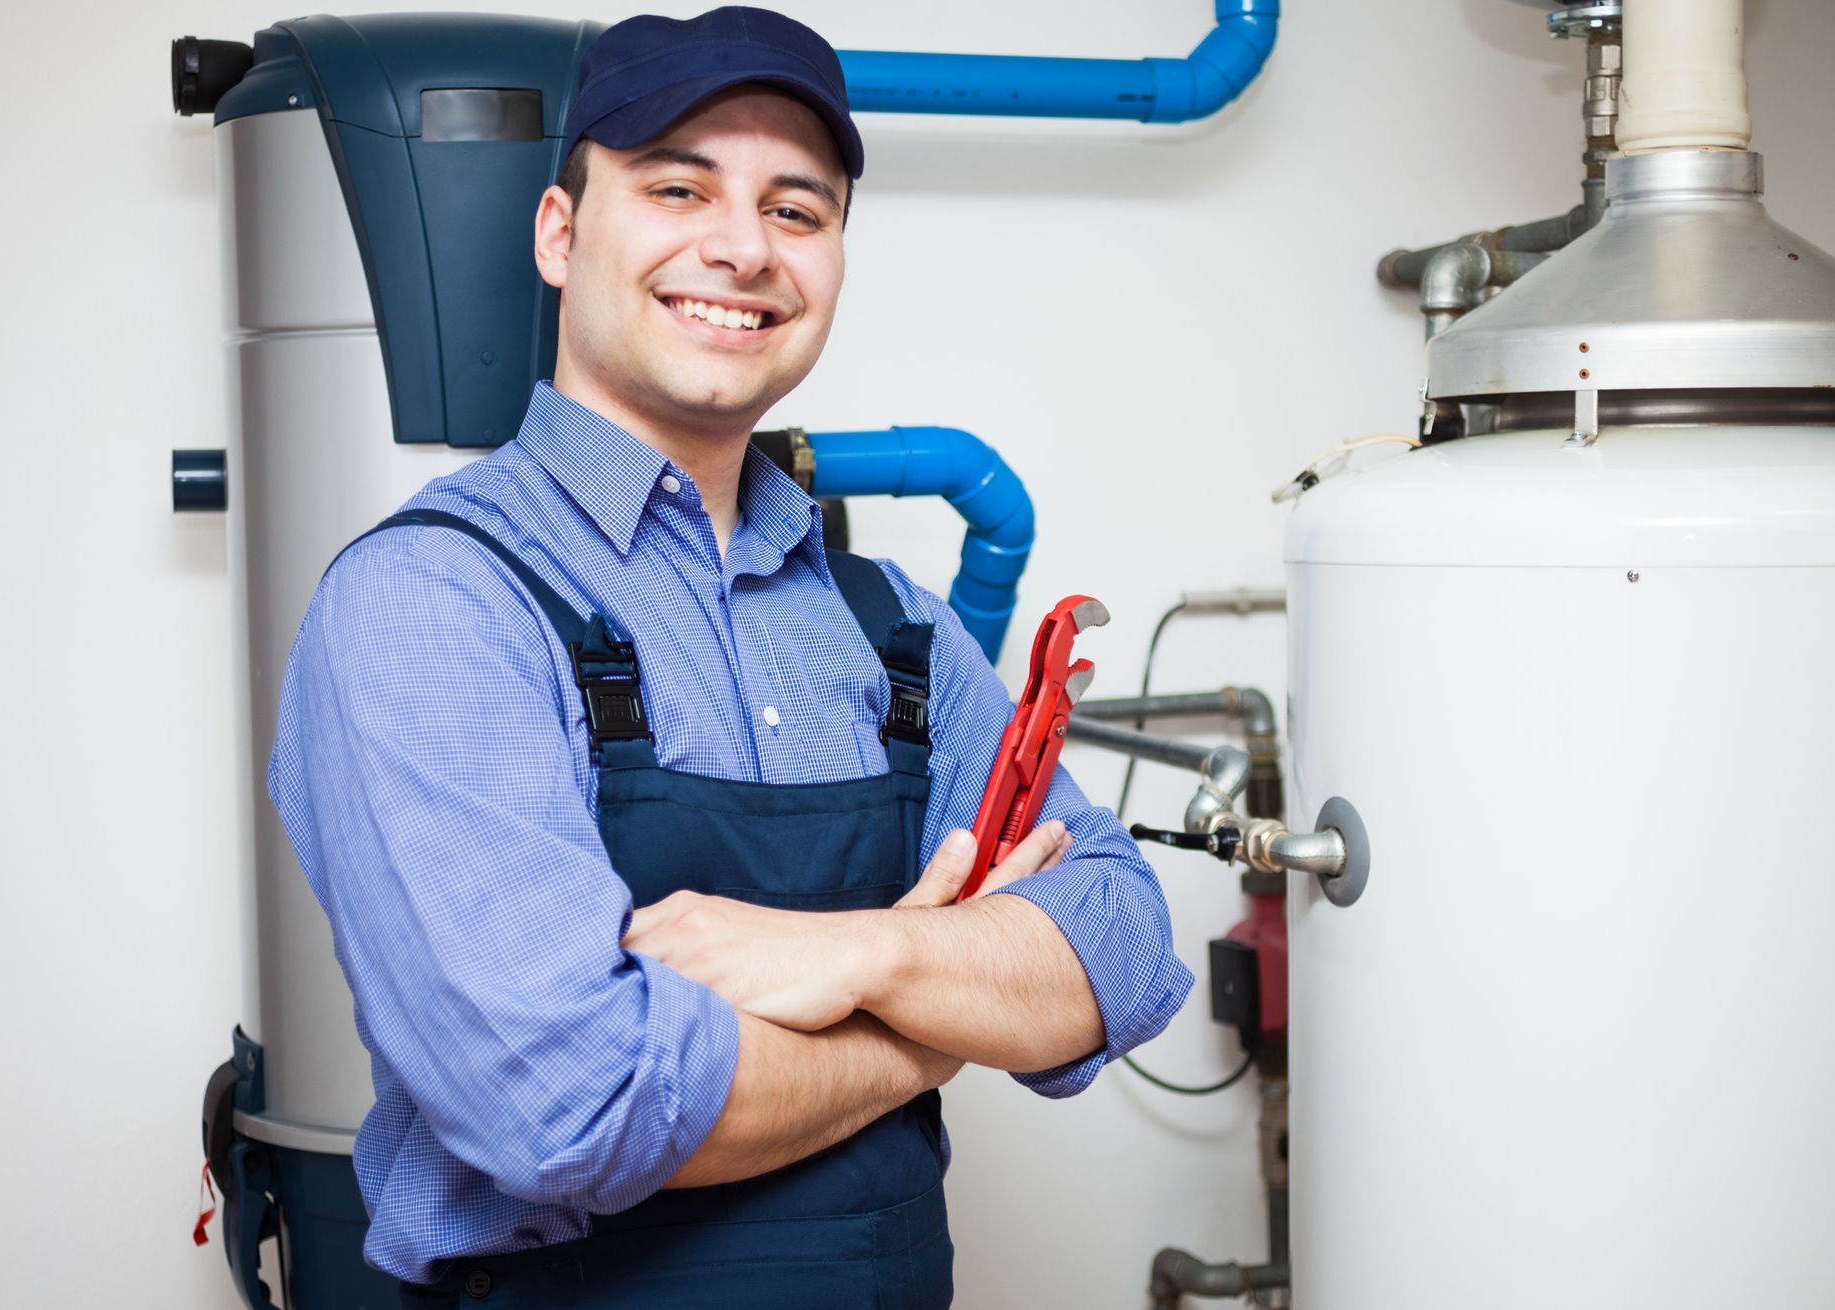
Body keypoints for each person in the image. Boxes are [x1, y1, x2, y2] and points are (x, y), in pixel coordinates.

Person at [269, 7, 1194, 1306]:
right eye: (677, 186)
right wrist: (937, 1017)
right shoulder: (432, 602)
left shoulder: (898, 627)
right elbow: (579, 1103)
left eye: (797, 210)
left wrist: (866, 954)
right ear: (559, 230)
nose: (743, 247)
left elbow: (1126, 949)